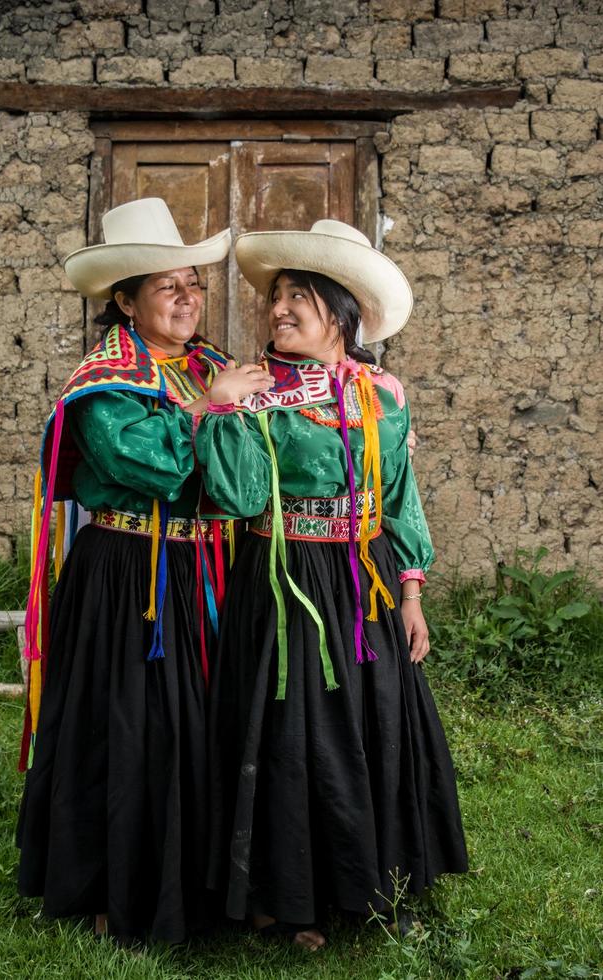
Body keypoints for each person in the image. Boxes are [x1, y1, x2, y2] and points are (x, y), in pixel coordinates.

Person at [195, 220, 469, 951]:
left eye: (298, 297)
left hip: (367, 580)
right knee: (292, 732)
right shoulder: (258, 390)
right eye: (275, 296)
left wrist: (411, 593)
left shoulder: (382, 392)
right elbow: (241, 495)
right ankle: (286, 899)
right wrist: (223, 411)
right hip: (285, 579)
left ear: (341, 314)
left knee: (373, 719)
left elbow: (401, 493)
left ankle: (377, 877)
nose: (277, 309)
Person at [15, 198, 272, 945]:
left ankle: (204, 882)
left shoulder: (212, 367)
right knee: (126, 725)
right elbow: (151, 466)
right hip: (128, 576)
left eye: (194, 283)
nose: (190, 298)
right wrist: (206, 414)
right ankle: (110, 883)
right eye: (169, 286)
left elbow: (251, 473)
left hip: (205, 572)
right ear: (125, 300)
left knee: (203, 719)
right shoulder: (101, 382)